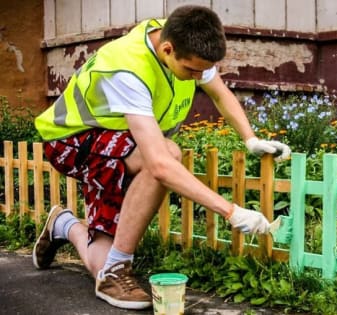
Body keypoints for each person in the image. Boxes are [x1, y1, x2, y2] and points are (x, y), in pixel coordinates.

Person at [32, 5, 291, 310]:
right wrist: (231, 212)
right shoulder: (128, 70)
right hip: (71, 143)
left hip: (118, 148)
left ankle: (64, 225)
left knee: (98, 260)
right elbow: (158, 164)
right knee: (167, 154)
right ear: (167, 49)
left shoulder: (184, 39)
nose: (198, 78)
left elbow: (220, 93)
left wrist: (250, 139)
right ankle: (117, 272)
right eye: (192, 71)